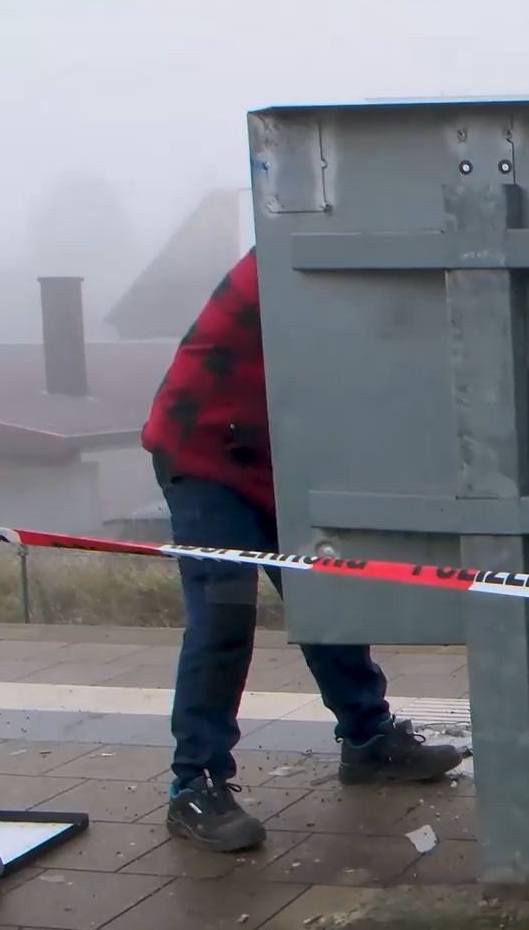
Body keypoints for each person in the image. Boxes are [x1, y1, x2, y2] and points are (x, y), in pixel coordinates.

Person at [141, 248, 462, 853]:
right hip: (207, 452)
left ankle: (369, 740)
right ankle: (195, 783)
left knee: (326, 592)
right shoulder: (305, 254)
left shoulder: (358, 262)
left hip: (283, 456)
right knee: (224, 610)